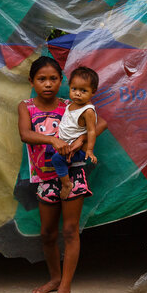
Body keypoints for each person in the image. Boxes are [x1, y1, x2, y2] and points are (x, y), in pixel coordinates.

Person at [17, 56, 107, 293]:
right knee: (47, 233)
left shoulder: (73, 103)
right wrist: (52, 141)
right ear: (31, 81)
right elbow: (25, 134)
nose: (48, 84)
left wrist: (79, 142)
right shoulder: (26, 106)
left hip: (73, 174)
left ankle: (65, 289)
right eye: (41, 79)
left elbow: (100, 124)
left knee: (69, 231)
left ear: (62, 81)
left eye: (53, 79)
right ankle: (55, 278)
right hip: (45, 177)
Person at [50, 66, 99, 199]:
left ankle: (67, 184)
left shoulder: (88, 111)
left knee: (56, 159)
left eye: (83, 90)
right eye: (74, 89)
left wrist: (89, 150)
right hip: (66, 145)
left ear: (93, 92)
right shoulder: (72, 104)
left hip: (77, 151)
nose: (77, 93)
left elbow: (92, 131)